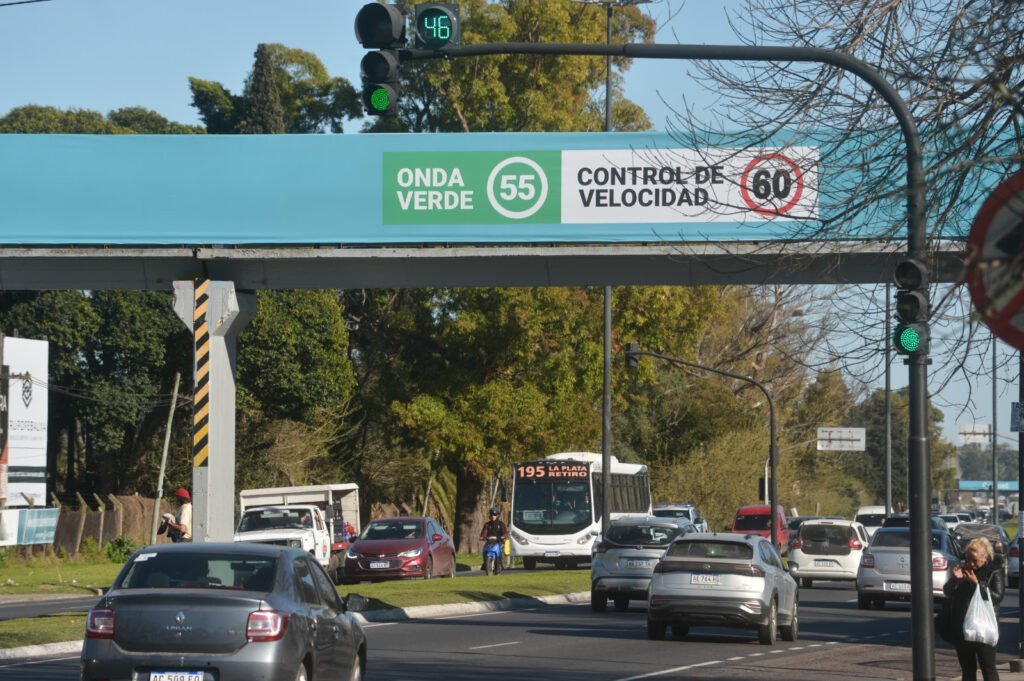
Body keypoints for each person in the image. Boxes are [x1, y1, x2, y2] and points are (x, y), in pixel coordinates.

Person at [943, 536, 1003, 681]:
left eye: (974, 561)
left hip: (984, 628)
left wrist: (977, 584)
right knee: (967, 670)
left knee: (988, 668)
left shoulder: (994, 572)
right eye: (968, 559)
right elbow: (947, 591)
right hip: (963, 627)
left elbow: (996, 597)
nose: (970, 563)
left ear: (985, 558)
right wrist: (956, 578)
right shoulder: (964, 569)